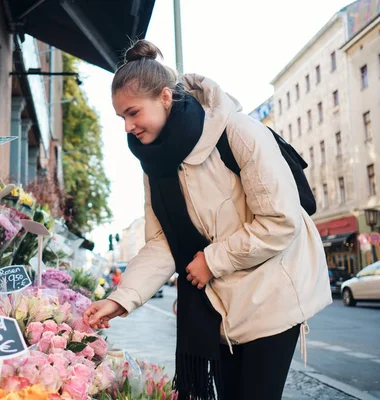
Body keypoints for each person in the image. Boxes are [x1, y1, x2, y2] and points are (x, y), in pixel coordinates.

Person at [83, 40, 332, 400]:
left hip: (274, 294)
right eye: (121, 117)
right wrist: (121, 299)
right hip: (219, 309)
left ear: (165, 97)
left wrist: (211, 261)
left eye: (133, 113)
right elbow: (161, 243)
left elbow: (281, 220)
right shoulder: (154, 166)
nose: (127, 127)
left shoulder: (239, 132)